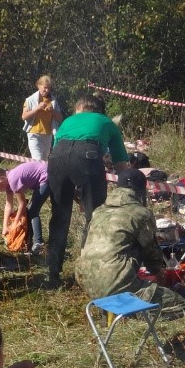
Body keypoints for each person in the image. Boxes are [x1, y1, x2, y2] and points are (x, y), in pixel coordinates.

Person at [75, 169, 185, 317]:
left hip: (86, 280)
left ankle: (115, 306)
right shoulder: (141, 213)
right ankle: (132, 312)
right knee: (182, 304)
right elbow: (151, 253)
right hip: (114, 283)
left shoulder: (99, 211)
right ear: (141, 191)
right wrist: (159, 273)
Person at [46, 94, 130, 288]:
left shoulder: (68, 120)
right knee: (94, 217)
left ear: (79, 108)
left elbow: (61, 151)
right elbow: (121, 165)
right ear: (100, 110)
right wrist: (127, 190)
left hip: (56, 158)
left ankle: (53, 273)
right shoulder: (106, 122)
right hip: (88, 156)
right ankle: (87, 269)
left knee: (59, 216)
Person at [0, 162, 49, 254]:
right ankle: (29, 243)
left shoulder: (13, 180)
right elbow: (8, 205)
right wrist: (5, 226)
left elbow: (22, 203)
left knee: (33, 211)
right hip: (40, 180)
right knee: (30, 211)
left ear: (0, 179)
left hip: (46, 176)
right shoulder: (8, 184)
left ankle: (38, 243)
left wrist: (15, 223)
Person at [20, 75, 64, 161]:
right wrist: (37, 108)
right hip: (34, 133)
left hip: (48, 134)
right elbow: (24, 116)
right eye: (45, 87)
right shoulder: (30, 100)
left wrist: (52, 111)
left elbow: (60, 118)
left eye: (49, 88)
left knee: (44, 160)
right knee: (37, 160)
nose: (47, 90)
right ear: (38, 85)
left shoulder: (53, 101)